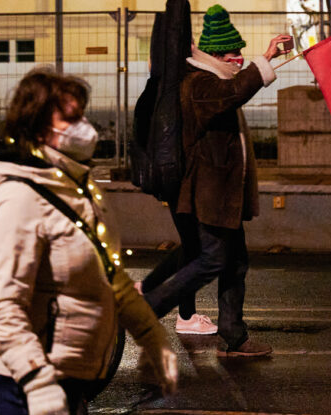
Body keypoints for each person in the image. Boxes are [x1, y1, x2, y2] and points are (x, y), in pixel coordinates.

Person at [0, 70, 178, 415]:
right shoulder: (18, 202)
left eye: (82, 116)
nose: (84, 128)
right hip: (25, 378)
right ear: (37, 129)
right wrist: (37, 381)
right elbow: (2, 307)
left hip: (65, 373)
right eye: (69, 119)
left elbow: (108, 275)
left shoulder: (74, 188)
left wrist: (153, 340)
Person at [141, 4, 292, 357]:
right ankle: (148, 308)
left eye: (240, 53)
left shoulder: (212, 80)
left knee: (233, 261)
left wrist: (261, 62)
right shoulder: (200, 84)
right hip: (206, 195)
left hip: (222, 195)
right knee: (211, 260)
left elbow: (235, 87)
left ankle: (234, 336)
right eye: (232, 53)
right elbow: (233, 93)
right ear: (214, 55)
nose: (238, 58)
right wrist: (264, 58)